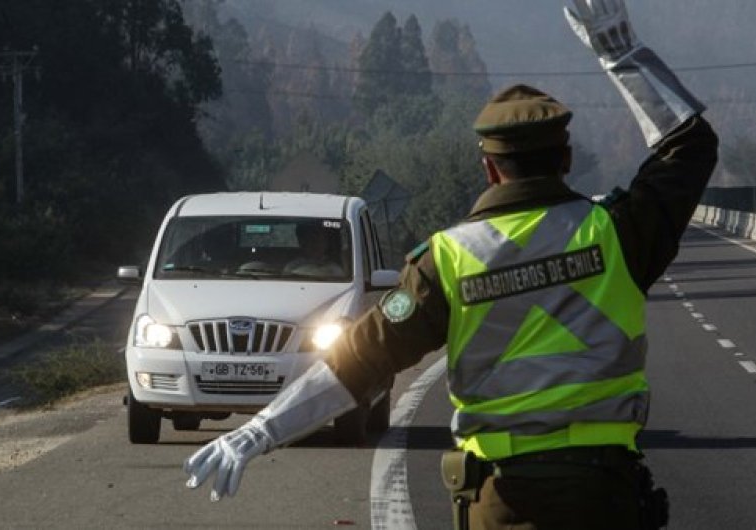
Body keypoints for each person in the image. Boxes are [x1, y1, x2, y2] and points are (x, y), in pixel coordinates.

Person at [183, 1, 718, 528]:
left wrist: (260, 430)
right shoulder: (619, 232)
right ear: (567, 159)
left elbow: (360, 360)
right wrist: (620, 51)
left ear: (489, 168)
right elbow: (690, 146)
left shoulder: (447, 259)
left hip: (502, 501)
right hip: (606, 496)